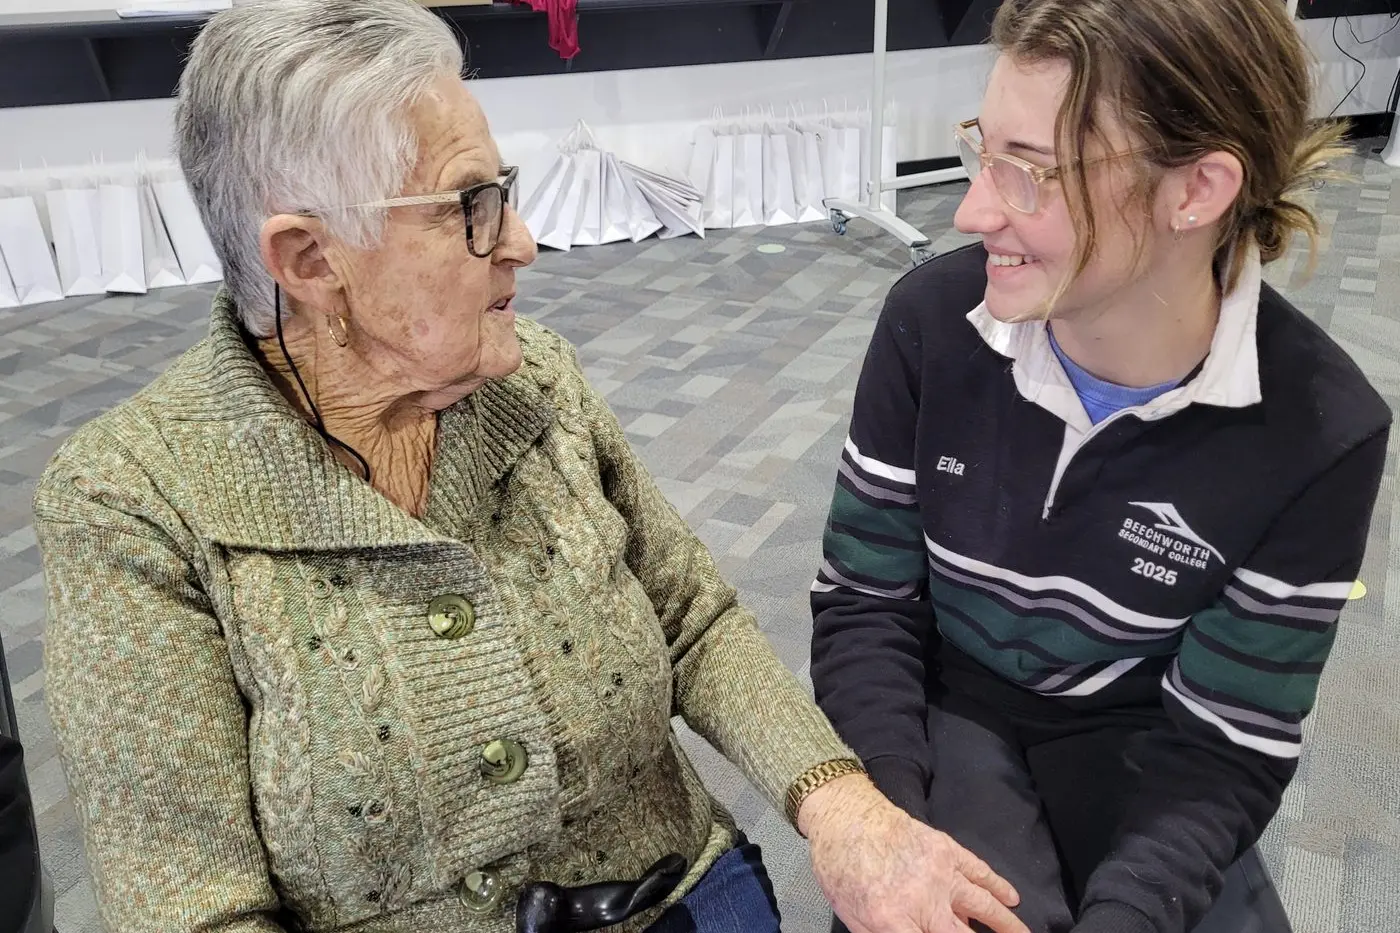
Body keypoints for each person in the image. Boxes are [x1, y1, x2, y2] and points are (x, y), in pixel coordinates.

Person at [33, 2, 1029, 933]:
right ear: (307, 260)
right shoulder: (132, 505)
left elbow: (692, 620)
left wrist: (840, 807)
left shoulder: (531, 382)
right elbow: (191, 906)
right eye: (471, 205)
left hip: (682, 891)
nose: (523, 241)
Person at [811, 1, 1391, 932]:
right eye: (981, 149)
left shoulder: (1321, 432)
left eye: (1029, 172)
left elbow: (1226, 742)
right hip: (950, 702)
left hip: (1147, 730)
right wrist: (889, 821)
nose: (971, 209)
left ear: (1195, 190)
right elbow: (864, 605)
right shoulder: (931, 324)